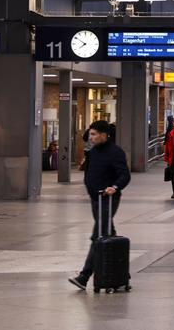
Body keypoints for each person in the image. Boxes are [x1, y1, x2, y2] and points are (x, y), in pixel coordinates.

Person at [68, 120, 131, 291]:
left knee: (98, 236)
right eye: (90, 134)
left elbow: (125, 175)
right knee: (108, 234)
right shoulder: (93, 151)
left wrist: (115, 187)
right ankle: (122, 274)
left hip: (108, 199)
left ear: (104, 135)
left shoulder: (115, 152)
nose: (91, 137)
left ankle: (84, 276)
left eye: (94, 134)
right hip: (95, 199)